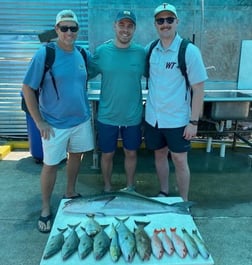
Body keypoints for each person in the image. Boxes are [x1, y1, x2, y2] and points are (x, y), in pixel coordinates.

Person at [22, 10, 94, 233]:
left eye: (73, 28)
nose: (69, 32)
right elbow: (28, 88)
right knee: (51, 165)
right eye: (64, 28)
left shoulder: (82, 53)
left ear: (78, 30)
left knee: (76, 156)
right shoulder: (45, 54)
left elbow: (90, 72)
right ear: (56, 30)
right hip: (54, 123)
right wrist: (39, 121)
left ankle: (70, 192)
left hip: (80, 120)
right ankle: (45, 208)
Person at [144, 3, 208, 201]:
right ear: (155, 24)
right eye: (160, 20)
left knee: (180, 160)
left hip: (178, 120)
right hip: (153, 118)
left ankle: (183, 202)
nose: (165, 24)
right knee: (159, 155)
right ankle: (163, 192)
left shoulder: (189, 51)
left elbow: (199, 90)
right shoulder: (151, 49)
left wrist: (193, 122)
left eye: (169, 20)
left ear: (177, 22)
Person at [88, 10, 146, 192]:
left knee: (131, 152)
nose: (125, 30)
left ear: (134, 28)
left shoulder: (141, 53)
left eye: (129, 26)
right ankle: (107, 187)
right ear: (114, 26)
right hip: (107, 114)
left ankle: (130, 187)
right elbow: (84, 74)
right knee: (107, 153)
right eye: (121, 25)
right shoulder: (102, 52)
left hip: (133, 116)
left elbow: (158, 75)